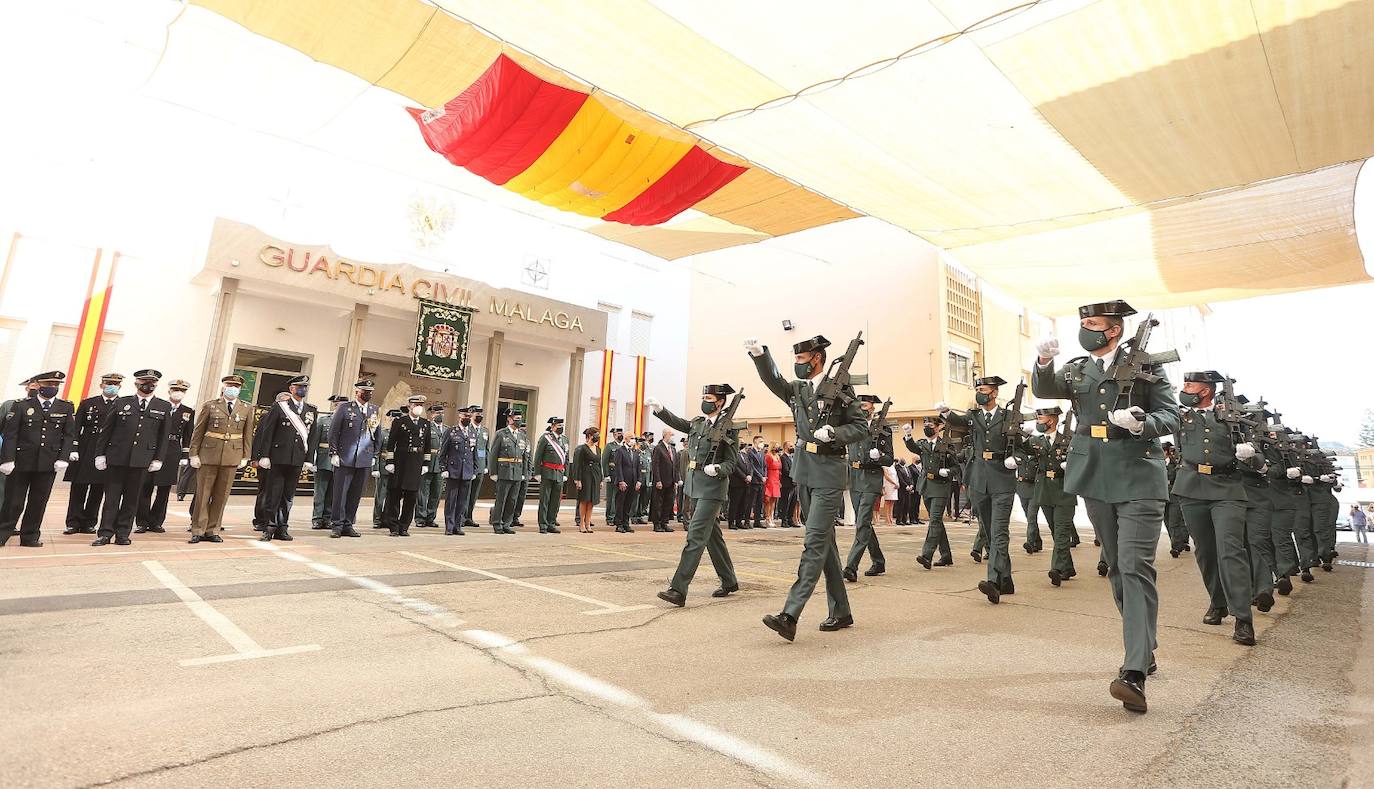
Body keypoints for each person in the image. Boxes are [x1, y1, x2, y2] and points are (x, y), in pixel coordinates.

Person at [1032, 299, 1180, 714]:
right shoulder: (1079, 368)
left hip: (1138, 476)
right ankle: (1145, 647)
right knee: (1117, 567)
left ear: (1113, 330)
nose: (1085, 328)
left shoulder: (1147, 365)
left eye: (1092, 323)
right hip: (1094, 474)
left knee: (1135, 566)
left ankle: (1133, 671)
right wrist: (1044, 360)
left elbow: (1172, 415)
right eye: (1083, 322)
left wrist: (1141, 424)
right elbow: (1046, 389)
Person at [746, 334, 863, 641]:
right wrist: (761, 356)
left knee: (814, 543)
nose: (796, 365)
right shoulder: (799, 389)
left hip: (829, 473)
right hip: (804, 472)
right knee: (825, 545)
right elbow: (774, 380)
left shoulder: (842, 388)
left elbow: (860, 426)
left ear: (817, 359)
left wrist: (834, 433)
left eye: (800, 360)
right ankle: (841, 611)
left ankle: (790, 614)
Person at [1173, 371, 1258, 646]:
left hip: (1227, 488)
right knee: (1206, 551)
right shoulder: (1179, 416)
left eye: (1190, 384)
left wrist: (1251, 454)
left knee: (1231, 550)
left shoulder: (1234, 416)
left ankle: (1243, 618)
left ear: (1206, 390)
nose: (1184, 388)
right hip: (1191, 487)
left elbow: (1257, 453)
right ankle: (1217, 602)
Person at [648, 386, 742, 606]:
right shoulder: (699, 422)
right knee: (712, 536)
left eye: (708, 398)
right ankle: (729, 580)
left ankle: (678, 589)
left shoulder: (729, 428)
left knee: (696, 536)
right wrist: (661, 410)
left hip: (712, 488)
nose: (704, 401)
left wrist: (718, 469)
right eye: (704, 397)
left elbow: (731, 461)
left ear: (720, 402)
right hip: (695, 484)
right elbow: (680, 423)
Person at [937, 375, 1020, 604]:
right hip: (979, 480)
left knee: (999, 531)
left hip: (1002, 479)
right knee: (990, 532)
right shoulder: (973, 417)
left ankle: (993, 581)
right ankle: (1006, 579)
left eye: (983, 389)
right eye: (978, 389)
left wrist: (1017, 459)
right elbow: (958, 420)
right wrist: (945, 413)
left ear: (994, 393)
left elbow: (1022, 447)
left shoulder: (1009, 417)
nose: (980, 392)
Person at [92, 369, 172, 547]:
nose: (148, 385)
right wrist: (100, 454)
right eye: (144, 381)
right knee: (111, 498)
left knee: (131, 499)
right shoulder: (122, 403)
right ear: (136, 383)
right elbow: (107, 431)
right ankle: (105, 533)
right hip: (117, 457)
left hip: (142, 459)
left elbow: (163, 436)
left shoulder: (163, 406)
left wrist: (158, 458)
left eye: (152, 382)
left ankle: (123, 533)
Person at [0, 371, 75, 547]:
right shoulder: (21, 405)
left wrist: (63, 457)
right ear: (39, 385)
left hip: (48, 463)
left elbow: (69, 435)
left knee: (38, 501)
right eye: (49, 384)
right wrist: (7, 459)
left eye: (56, 385)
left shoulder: (65, 407)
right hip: (21, 461)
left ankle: (30, 536)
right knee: (13, 501)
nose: (52, 388)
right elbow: (11, 434)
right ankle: (3, 533)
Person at [187, 375, 255, 543]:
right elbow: (198, 431)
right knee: (203, 494)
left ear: (240, 389)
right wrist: (193, 453)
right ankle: (198, 529)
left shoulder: (246, 408)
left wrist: (245, 456)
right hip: (208, 454)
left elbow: (247, 435)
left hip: (232, 455)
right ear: (223, 387)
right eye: (229, 385)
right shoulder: (210, 405)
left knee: (221, 495)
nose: (232, 389)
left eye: (236, 386)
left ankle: (213, 529)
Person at [253, 375, 317, 542]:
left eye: (305, 386)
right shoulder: (280, 407)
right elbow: (268, 433)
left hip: (296, 458)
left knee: (288, 496)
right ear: (291, 389)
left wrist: (309, 459)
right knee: (274, 494)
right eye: (299, 386)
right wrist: (264, 456)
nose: (303, 389)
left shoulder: (311, 410)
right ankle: (269, 527)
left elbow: (312, 437)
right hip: (278, 457)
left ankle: (283, 527)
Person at [63, 372, 123, 535]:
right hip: (87, 445)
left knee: (98, 487)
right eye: (108, 383)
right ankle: (73, 522)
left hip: (107, 449)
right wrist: (73, 448)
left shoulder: (123, 404)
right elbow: (76, 428)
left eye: (115, 384)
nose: (112, 386)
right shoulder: (88, 403)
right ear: (102, 385)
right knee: (79, 486)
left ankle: (90, 521)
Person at [135, 378, 193, 534]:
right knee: (146, 487)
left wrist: (185, 455)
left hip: (173, 450)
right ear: (169, 391)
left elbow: (188, 435)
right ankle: (142, 521)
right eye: (175, 390)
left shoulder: (188, 412)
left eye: (182, 391)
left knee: (164, 489)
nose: (178, 393)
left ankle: (156, 522)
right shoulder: (161, 406)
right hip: (154, 448)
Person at [1027, 407, 1078, 586]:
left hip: (1064, 491)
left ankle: (1056, 569)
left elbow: (1081, 460)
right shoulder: (1035, 440)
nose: (1038, 421)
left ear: (1052, 420)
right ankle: (1068, 567)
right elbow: (1023, 453)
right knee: (1055, 530)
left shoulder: (1069, 439)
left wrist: (1070, 465)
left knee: (1062, 531)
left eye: (1041, 418)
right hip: (1044, 490)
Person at [843, 394, 892, 581]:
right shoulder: (853, 425)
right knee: (863, 524)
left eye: (864, 405)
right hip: (855, 477)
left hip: (872, 478)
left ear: (872, 407)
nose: (861, 408)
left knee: (862, 522)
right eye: (859, 405)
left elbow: (889, 458)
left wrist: (878, 456)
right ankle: (878, 561)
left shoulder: (883, 428)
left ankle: (851, 566)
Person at [325, 379, 380, 539]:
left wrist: (374, 454)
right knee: (340, 493)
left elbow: (376, 435)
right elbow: (333, 432)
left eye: (370, 391)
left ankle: (348, 524)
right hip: (345, 457)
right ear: (357, 392)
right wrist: (333, 453)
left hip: (364, 459)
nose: (368, 394)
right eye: (365, 391)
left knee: (355, 494)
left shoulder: (374, 410)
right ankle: (337, 524)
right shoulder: (344, 408)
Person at [903, 416, 956, 569]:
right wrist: (908, 436)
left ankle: (927, 555)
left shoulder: (947, 444)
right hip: (926, 486)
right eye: (925, 424)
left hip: (940, 486)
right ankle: (946, 555)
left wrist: (948, 472)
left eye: (930, 424)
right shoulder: (923, 444)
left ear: (938, 427)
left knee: (934, 521)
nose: (927, 427)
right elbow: (913, 447)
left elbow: (956, 467)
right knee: (937, 522)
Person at [382, 395, 432, 537]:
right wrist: (390, 462)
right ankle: (393, 526)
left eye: (421, 404)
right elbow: (391, 443)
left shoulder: (425, 423)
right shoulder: (400, 421)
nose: (418, 407)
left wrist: (426, 463)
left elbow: (428, 445)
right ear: (409, 406)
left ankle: (404, 526)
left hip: (416, 462)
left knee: (411, 497)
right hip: (401, 461)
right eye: (416, 404)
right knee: (395, 495)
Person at [437, 406, 479, 536]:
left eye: (468, 416)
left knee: (462, 501)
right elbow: (442, 452)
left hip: (467, 471)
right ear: (459, 417)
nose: (466, 418)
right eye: (464, 416)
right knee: (451, 501)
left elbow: (474, 454)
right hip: (453, 471)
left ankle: (457, 526)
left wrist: (475, 470)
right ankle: (449, 526)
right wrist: (443, 468)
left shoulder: (472, 433)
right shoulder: (451, 431)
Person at [488, 411, 531, 534]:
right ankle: (497, 523)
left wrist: (524, 472)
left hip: (517, 471)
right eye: (517, 418)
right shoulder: (501, 434)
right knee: (501, 499)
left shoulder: (522, 436)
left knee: (512, 500)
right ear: (509, 419)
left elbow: (524, 456)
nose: (519, 421)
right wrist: (493, 472)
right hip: (504, 471)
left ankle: (507, 523)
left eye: (520, 419)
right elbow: (493, 454)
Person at [308, 395, 347, 530]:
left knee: (333, 492)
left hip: (340, 461)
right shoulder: (323, 420)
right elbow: (314, 441)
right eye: (338, 405)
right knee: (320, 491)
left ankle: (328, 518)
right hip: (323, 459)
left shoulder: (347, 421)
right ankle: (317, 518)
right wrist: (312, 459)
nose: (340, 407)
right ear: (334, 406)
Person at [533, 416, 569, 534]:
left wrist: (566, 473)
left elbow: (566, 458)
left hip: (559, 473)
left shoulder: (564, 440)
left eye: (562, 426)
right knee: (545, 500)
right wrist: (537, 473)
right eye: (559, 426)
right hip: (547, 473)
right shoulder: (545, 438)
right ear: (552, 426)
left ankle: (551, 523)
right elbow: (538, 456)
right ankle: (543, 525)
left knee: (555, 501)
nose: (561, 428)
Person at [414, 404, 447, 529]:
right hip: (427, 463)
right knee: (423, 493)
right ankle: (420, 518)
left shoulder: (447, 429)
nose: (440, 415)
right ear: (432, 414)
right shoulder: (426, 427)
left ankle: (430, 517)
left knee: (436, 493)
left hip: (440, 466)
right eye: (437, 413)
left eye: (442, 413)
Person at [1014, 417, 1043, 555]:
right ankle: (1037, 541)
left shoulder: (1038, 455)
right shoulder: (1020, 452)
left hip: (1035, 488)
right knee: (1029, 517)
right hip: (1021, 487)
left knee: (1032, 517)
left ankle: (1030, 543)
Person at [372, 410, 401, 528]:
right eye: (392, 419)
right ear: (389, 420)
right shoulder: (383, 433)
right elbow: (377, 451)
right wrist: (375, 468)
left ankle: (388, 519)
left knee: (393, 497)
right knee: (380, 496)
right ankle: (377, 519)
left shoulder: (401, 434)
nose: (394, 421)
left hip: (397, 469)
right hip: (383, 468)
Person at [1163, 443, 1191, 557]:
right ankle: (1179, 541)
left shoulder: (1176, 463)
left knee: (1175, 520)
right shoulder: (1159, 464)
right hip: (1163, 496)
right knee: (1167, 520)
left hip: (1175, 495)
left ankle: (1176, 546)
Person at [572, 427, 602, 532]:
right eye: (596, 435)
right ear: (589, 436)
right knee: (584, 500)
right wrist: (577, 479)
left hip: (595, 476)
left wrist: (601, 479)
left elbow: (599, 464)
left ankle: (588, 523)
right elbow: (577, 465)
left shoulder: (598, 449)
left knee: (592, 501)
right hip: (585, 476)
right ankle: (581, 523)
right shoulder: (582, 448)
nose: (597, 437)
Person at [463, 405, 489, 529]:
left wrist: (486, 464)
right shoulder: (467, 429)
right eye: (477, 413)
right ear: (471, 414)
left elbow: (486, 449)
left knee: (474, 494)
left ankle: (469, 516)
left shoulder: (484, 431)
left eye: (481, 414)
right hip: (468, 465)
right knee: (466, 492)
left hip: (480, 465)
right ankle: (462, 516)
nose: (479, 416)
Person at [611, 430, 641, 533]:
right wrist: (621, 481)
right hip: (623, 482)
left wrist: (638, 481)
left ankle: (625, 523)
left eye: (634, 438)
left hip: (633, 482)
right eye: (631, 438)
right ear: (626, 439)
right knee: (620, 503)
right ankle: (619, 524)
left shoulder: (636, 452)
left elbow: (638, 467)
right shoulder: (620, 451)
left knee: (629, 503)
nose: (633, 440)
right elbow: (618, 466)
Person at [650, 428, 678, 532]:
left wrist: (676, 480)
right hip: (661, 481)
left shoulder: (673, 449)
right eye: (671, 435)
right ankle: (657, 524)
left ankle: (664, 522)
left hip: (670, 481)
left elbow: (675, 466)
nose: (672, 437)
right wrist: (658, 480)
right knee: (658, 503)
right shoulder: (658, 448)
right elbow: (655, 465)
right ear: (665, 435)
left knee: (668, 503)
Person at [601, 426, 624, 528]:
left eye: (621, 433)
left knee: (620, 498)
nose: (621, 435)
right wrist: (606, 475)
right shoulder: (609, 446)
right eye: (618, 434)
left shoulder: (623, 447)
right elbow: (604, 461)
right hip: (612, 474)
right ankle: (610, 517)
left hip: (621, 476)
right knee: (611, 498)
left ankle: (617, 517)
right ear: (614, 435)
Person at [746, 435, 767, 528]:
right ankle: (747, 521)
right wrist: (760, 476)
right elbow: (752, 467)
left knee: (759, 502)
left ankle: (757, 521)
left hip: (761, 481)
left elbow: (765, 466)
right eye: (760, 441)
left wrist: (764, 476)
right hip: (754, 480)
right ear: (755, 442)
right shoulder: (750, 452)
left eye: (762, 441)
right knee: (750, 502)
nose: (762, 443)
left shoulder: (762, 453)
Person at [727, 442, 749, 529]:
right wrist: (744, 477)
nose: (743, 444)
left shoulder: (744, 455)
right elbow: (735, 468)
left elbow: (749, 466)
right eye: (741, 442)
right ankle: (731, 522)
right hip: (736, 483)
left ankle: (739, 521)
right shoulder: (733, 454)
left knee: (743, 503)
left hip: (745, 483)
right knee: (734, 503)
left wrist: (749, 475)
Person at [779, 442, 797, 527]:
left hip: (794, 484)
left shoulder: (792, 457)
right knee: (786, 502)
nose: (792, 447)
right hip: (787, 483)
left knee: (793, 502)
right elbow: (786, 470)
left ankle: (790, 519)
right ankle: (784, 520)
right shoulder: (783, 457)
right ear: (786, 447)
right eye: (790, 446)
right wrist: (795, 476)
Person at [764, 444, 782, 525]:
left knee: (774, 499)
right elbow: (765, 467)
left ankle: (771, 516)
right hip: (770, 478)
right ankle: (767, 517)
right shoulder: (768, 456)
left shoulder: (778, 456)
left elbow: (780, 468)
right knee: (768, 499)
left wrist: (779, 481)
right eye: (776, 446)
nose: (777, 448)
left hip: (776, 478)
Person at [674, 436, 690, 524]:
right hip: (682, 478)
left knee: (687, 499)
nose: (686, 443)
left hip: (689, 478)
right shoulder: (681, 452)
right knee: (681, 498)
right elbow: (679, 467)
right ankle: (680, 514)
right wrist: (679, 478)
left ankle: (684, 516)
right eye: (685, 442)